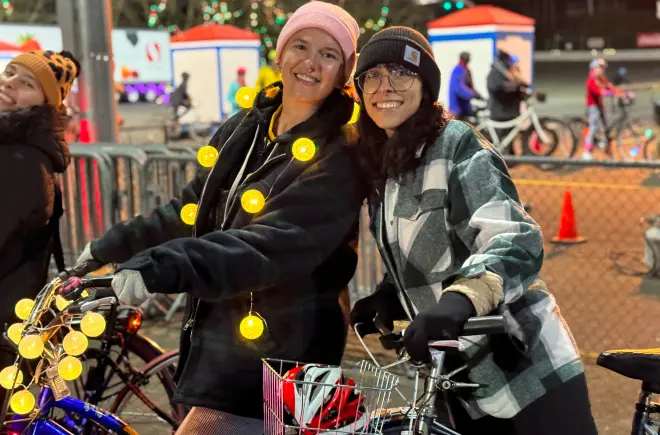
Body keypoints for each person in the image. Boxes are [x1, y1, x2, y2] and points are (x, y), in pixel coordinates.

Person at [62, 2, 364, 433]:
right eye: (300, 45)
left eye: (329, 54)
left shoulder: (340, 153)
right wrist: (109, 247)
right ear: (279, 54)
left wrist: (158, 268)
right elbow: (192, 210)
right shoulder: (245, 127)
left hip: (283, 359)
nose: (311, 63)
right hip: (218, 343)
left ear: (344, 72)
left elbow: (271, 245)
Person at [350, 26, 598, 435]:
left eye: (400, 72)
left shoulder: (456, 144)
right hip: (459, 380)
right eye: (371, 76)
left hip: (526, 364)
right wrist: (390, 294)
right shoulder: (386, 169)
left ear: (426, 83)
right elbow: (431, 248)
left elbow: (514, 239)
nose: (384, 86)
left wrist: (461, 300)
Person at [0, 50, 80, 400]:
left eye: (26, 82)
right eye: (9, 72)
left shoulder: (22, 161)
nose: (9, 82)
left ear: (47, 102)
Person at [486, 50, 530, 152]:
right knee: (500, 138)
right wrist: (516, 85)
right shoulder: (495, 74)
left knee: (510, 136)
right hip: (501, 112)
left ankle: (510, 156)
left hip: (509, 111)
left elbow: (520, 86)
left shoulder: (506, 73)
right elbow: (498, 88)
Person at [582, 58, 624, 160]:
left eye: (602, 68)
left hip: (600, 106)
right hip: (593, 107)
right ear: (593, 68)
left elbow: (608, 86)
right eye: (599, 68)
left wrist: (621, 93)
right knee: (593, 128)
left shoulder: (601, 78)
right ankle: (587, 152)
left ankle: (605, 147)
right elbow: (597, 92)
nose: (601, 70)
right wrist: (608, 92)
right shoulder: (591, 80)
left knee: (606, 127)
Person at [448, 51, 482, 120]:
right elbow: (458, 88)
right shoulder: (458, 70)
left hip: (465, 107)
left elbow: (470, 86)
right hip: (457, 108)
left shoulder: (466, 70)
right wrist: (472, 94)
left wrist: (479, 96)